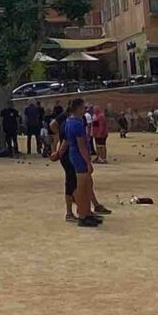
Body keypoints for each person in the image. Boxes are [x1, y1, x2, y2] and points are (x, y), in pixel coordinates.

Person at [60, 97, 100, 226]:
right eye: (83, 107)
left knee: (86, 185)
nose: (85, 110)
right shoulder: (76, 123)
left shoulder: (69, 121)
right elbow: (81, 145)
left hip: (74, 154)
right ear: (78, 108)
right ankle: (83, 215)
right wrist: (88, 162)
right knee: (82, 187)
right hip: (78, 156)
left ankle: (87, 212)